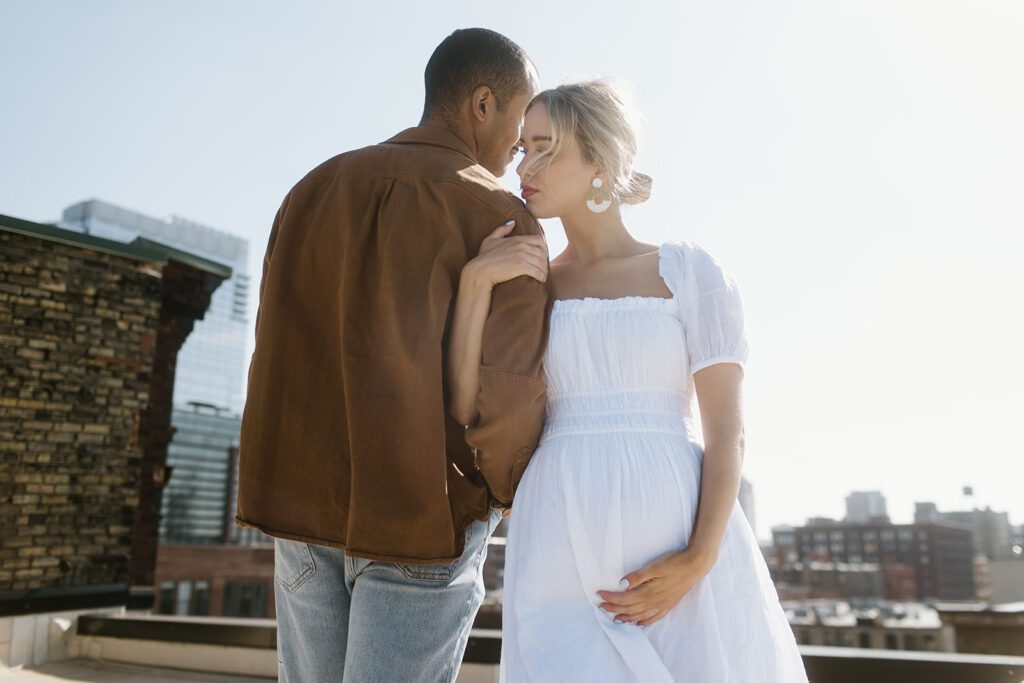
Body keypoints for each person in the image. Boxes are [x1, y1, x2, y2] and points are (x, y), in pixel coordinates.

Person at [448, 81, 809, 681]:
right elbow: (464, 406)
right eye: (522, 151)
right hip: (558, 543)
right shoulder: (523, 280)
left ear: (599, 160)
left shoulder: (690, 272)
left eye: (545, 149)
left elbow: (727, 431)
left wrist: (698, 558)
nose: (525, 168)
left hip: (680, 548)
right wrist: (475, 286)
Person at [235, 28, 552, 682]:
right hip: (422, 516)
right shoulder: (500, 216)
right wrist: (507, 492)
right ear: (483, 104)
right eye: (519, 125)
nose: (518, 149)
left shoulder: (308, 192)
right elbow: (510, 392)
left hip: (301, 509)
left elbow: (276, 349)